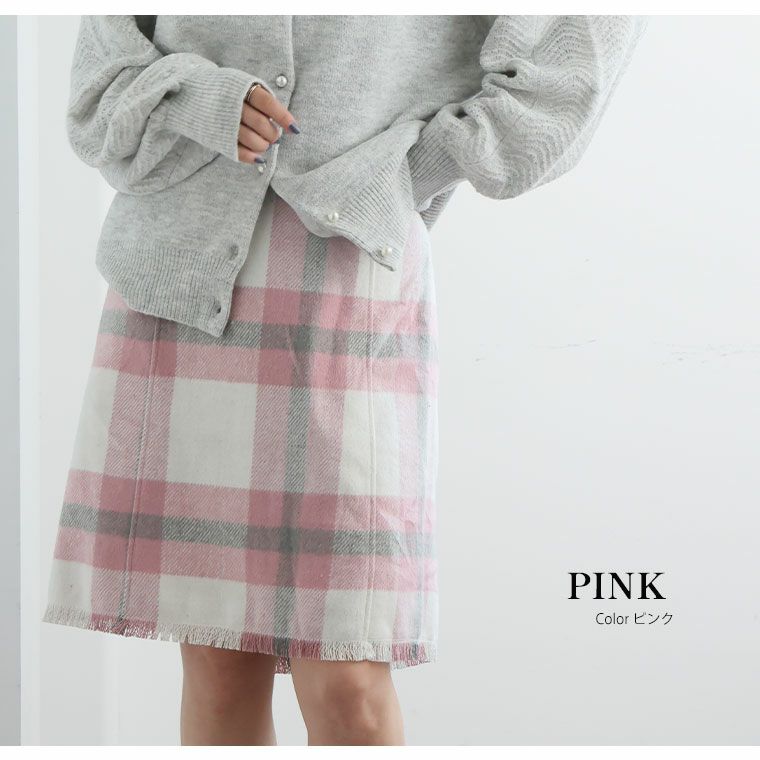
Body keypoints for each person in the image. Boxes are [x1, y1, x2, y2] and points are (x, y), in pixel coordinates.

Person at [42, 14, 647, 746]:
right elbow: (100, 79)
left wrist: (411, 166)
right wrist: (196, 100)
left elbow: (583, 38)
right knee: (219, 658)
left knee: (348, 676)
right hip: (178, 273)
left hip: (349, 271)